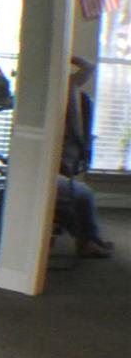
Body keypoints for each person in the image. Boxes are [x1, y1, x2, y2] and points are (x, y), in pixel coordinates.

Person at [57, 56, 113, 258]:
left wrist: (67, 56)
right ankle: (87, 240)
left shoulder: (71, 83)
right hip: (57, 155)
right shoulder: (48, 94)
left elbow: (88, 66)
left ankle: (90, 238)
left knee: (73, 194)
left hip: (70, 151)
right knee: (78, 195)